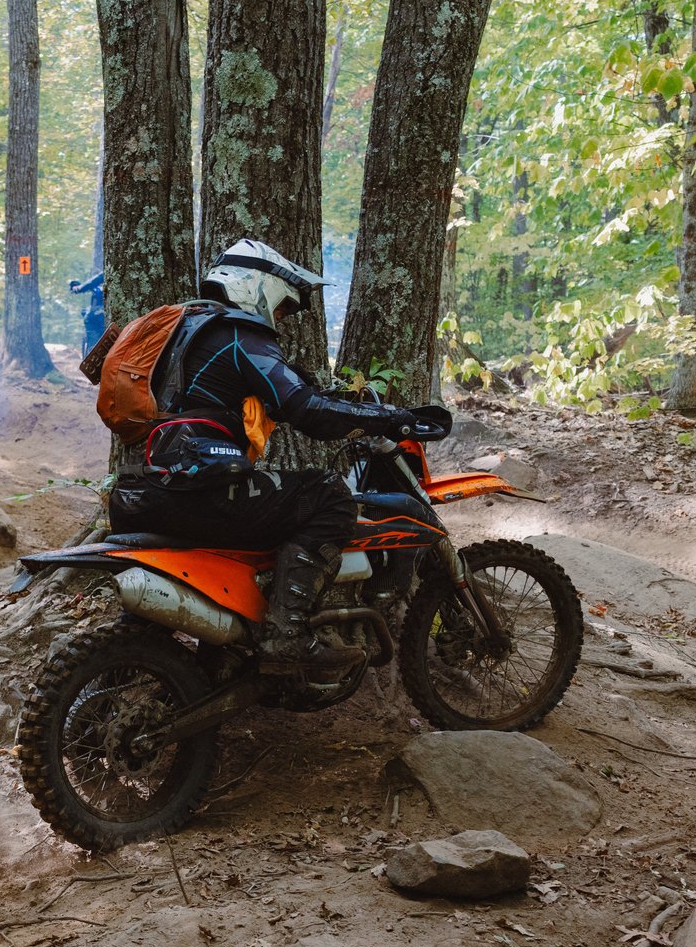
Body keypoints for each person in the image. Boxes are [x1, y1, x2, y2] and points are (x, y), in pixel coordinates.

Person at [101, 239, 448, 677]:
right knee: (329, 494)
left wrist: (328, 399)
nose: (280, 316)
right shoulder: (239, 334)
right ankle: (288, 635)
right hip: (197, 491)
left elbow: (283, 395)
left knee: (136, 635)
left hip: (139, 491)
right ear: (258, 287)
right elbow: (306, 410)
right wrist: (390, 418)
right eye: (283, 307)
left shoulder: (185, 331)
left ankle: (110, 689)